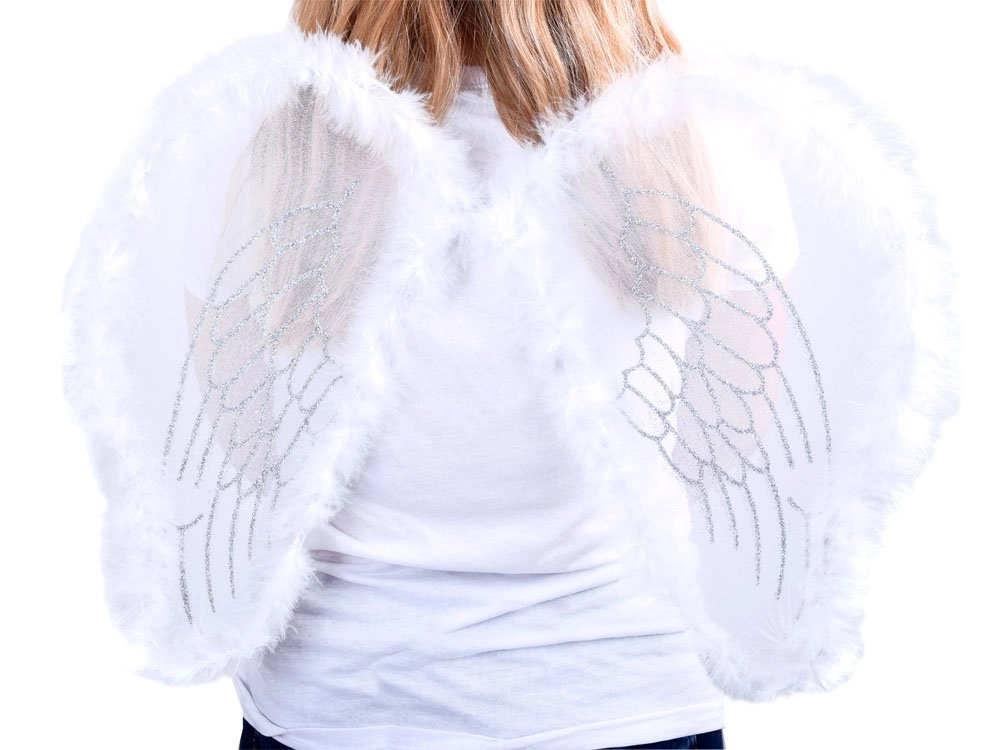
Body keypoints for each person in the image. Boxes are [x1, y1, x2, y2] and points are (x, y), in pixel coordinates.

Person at [59, 1, 959, 749]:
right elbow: (721, 453)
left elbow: (249, 452)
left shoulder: (263, 145)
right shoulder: (700, 141)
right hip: (621, 697)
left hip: (339, 702)